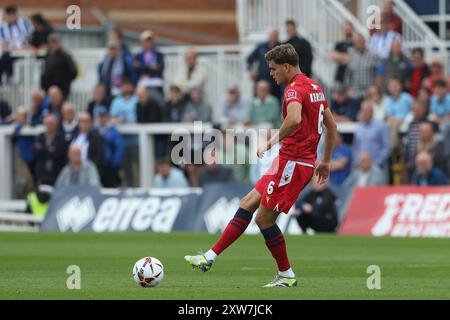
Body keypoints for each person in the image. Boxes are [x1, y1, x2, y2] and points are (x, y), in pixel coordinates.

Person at [185, 44, 337, 287]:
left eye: (274, 69)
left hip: (293, 164)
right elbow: (332, 126)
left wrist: (271, 141)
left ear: (287, 67)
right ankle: (208, 257)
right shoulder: (315, 87)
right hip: (292, 162)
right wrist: (325, 161)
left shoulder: (293, 90)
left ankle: (286, 275)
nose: (272, 74)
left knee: (264, 220)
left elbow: (295, 118)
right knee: (247, 203)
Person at [0, 5, 33, 84]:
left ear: (15, 15)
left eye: (11, 15)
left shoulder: (25, 22)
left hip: (25, 51)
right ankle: (9, 78)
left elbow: (32, 36)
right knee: (5, 59)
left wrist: (27, 46)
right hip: (11, 53)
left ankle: (12, 78)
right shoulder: (3, 27)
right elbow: (3, 44)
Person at [353, 101, 391, 167]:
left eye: (366, 111)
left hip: (377, 166)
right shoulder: (359, 127)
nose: (364, 113)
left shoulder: (381, 125)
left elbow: (386, 147)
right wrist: (357, 162)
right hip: (361, 167)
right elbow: (356, 147)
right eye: (362, 111)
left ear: (372, 112)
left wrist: (378, 162)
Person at [247, 29, 281, 100]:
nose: (273, 38)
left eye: (275, 36)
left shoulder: (281, 47)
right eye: (271, 36)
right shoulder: (261, 47)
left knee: (275, 103)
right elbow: (249, 59)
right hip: (261, 81)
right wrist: (251, 69)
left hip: (275, 83)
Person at [343, 34, 379, 102]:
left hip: (369, 91)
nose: (359, 44)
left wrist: (375, 87)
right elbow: (348, 72)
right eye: (357, 42)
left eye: (361, 42)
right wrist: (347, 88)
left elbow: (377, 72)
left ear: (364, 42)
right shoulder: (351, 54)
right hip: (355, 91)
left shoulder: (372, 55)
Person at [33, 115, 68, 185]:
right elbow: (36, 152)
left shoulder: (61, 137)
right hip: (42, 172)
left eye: (51, 123)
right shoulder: (40, 136)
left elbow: (58, 153)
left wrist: (43, 149)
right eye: (47, 123)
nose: (49, 125)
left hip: (57, 173)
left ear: (56, 124)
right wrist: (50, 150)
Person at [94, 106, 124, 188]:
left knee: (110, 186)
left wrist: (115, 164)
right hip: (97, 165)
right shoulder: (93, 130)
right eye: (100, 116)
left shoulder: (113, 130)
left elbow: (119, 148)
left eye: (103, 116)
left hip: (110, 165)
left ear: (107, 117)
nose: (102, 118)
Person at [40, 34, 77, 99]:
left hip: (62, 88)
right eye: (51, 42)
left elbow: (73, 71)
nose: (53, 44)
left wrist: (66, 82)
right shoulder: (48, 55)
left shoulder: (65, 56)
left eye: (55, 42)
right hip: (48, 87)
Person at [134, 30, 165, 106]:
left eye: (150, 41)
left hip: (156, 83)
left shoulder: (159, 55)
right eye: (146, 41)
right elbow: (137, 70)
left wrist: (143, 67)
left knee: (157, 101)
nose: (148, 43)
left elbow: (160, 69)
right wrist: (151, 67)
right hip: (143, 84)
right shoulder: (138, 56)